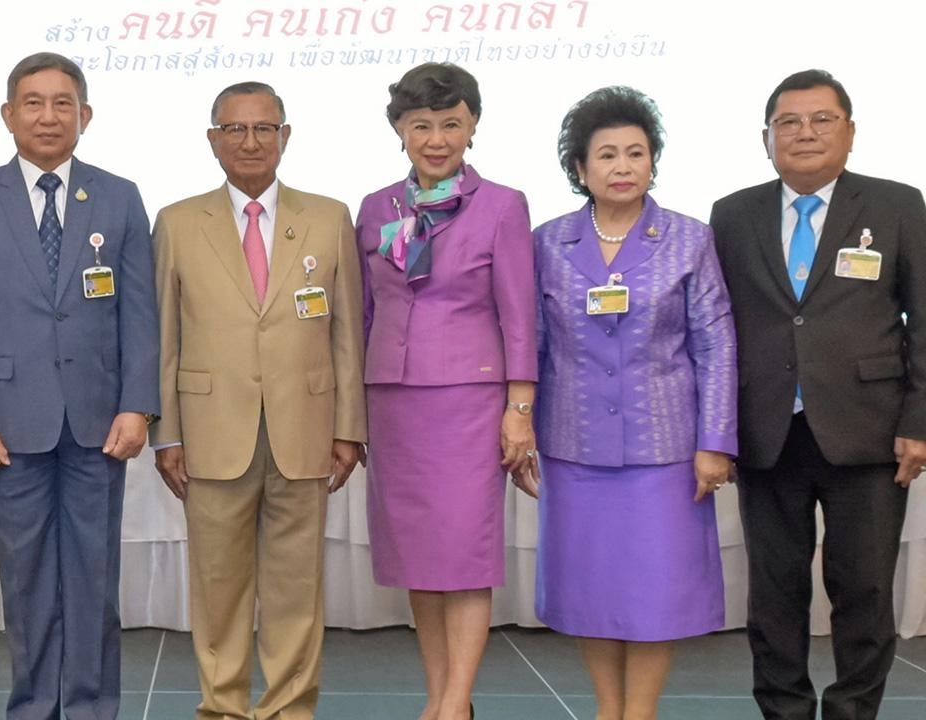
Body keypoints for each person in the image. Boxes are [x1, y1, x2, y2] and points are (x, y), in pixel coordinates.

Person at [0, 52, 159, 720]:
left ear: (85, 116)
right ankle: (33, 707)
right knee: (27, 578)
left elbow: (140, 313)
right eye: (33, 102)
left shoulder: (118, 196)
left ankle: (91, 708)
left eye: (64, 102)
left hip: (99, 421)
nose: (48, 115)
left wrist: (139, 404)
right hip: (7, 421)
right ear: (8, 115)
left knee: (93, 578)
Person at [711, 69, 926, 720]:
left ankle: (854, 712)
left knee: (861, 590)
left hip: (870, 432)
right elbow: (716, 327)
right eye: (788, 122)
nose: (804, 132)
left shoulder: (897, 205)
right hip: (767, 431)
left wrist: (918, 418)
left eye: (821, 119)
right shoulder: (732, 213)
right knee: (774, 596)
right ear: (767, 137)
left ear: (850, 132)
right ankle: (784, 712)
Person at [152, 81, 365, 720]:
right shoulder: (177, 221)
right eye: (236, 129)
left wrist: (349, 427)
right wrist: (168, 432)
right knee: (219, 588)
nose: (251, 141)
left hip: (306, 429)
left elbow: (348, 332)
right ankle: (221, 707)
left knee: (297, 586)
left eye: (264, 128)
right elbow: (164, 336)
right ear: (214, 139)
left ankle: (289, 708)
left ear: (285, 136)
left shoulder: (328, 217)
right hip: (211, 433)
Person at [530, 85, 736, 720]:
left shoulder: (688, 238)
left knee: (654, 594)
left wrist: (715, 443)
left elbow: (717, 342)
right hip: (576, 446)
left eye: (636, 154)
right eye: (608, 155)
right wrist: (517, 428)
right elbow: (529, 344)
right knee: (594, 592)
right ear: (579, 169)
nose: (623, 167)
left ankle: (639, 714)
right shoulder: (547, 243)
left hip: (666, 451)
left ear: (654, 162)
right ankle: (605, 710)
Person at [355, 63, 537, 720]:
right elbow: (366, 315)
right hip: (394, 403)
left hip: (469, 402)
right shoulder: (377, 207)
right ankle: (438, 697)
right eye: (422, 125)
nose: (436, 139)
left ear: (473, 126)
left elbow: (519, 315)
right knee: (419, 559)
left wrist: (520, 410)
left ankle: (456, 705)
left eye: (451, 124)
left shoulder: (503, 205)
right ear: (400, 129)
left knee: (464, 554)